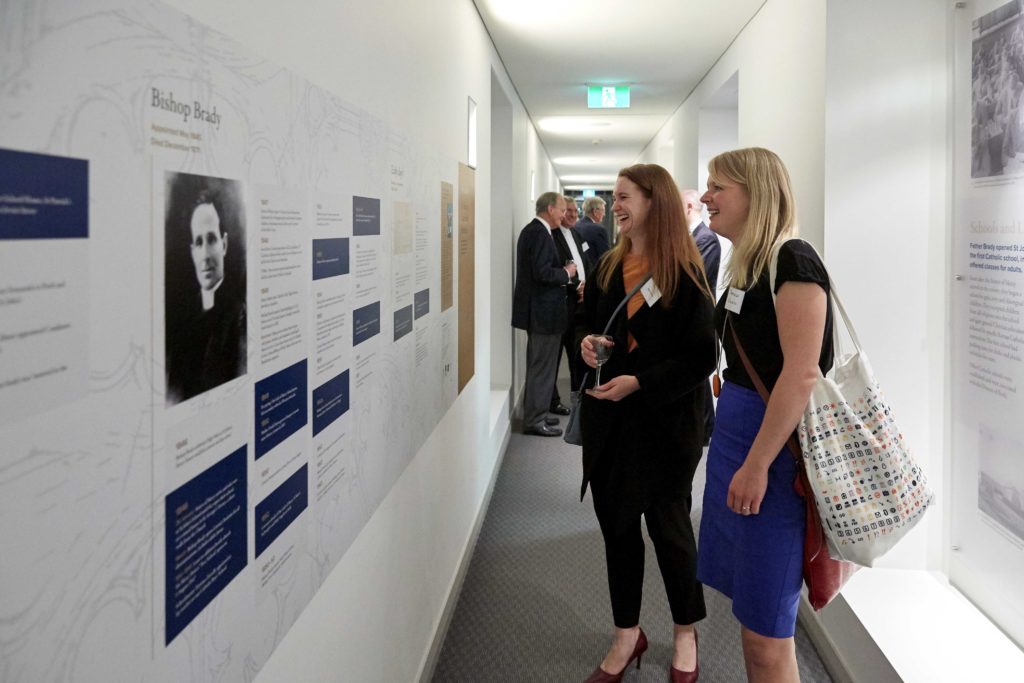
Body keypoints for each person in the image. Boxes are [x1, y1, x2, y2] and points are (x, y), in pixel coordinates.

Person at [695, 147, 833, 683]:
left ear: (756, 194)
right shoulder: (747, 265)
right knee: (754, 622)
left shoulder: (792, 260)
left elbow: (801, 375)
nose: (706, 196)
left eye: (718, 186)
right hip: (742, 443)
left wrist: (755, 465)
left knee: (766, 637)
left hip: (773, 460)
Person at [576, 164, 714, 683]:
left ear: (655, 202)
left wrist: (641, 382)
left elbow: (702, 357)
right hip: (610, 424)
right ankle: (626, 634)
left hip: (665, 425)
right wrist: (585, 343)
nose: (615, 205)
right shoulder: (608, 266)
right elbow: (582, 323)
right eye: (613, 198)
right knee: (617, 531)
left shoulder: (685, 271)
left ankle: (685, 632)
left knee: (670, 532)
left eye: (624, 197)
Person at [166, 189, 247, 405]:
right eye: (199, 242)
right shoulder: (182, 322)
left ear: (224, 245)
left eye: (211, 239)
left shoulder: (240, 317)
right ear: (192, 251)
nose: (205, 256)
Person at [512, 191, 577, 436]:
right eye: (562, 209)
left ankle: (538, 413)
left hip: (541, 313)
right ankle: (534, 420)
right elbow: (542, 273)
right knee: (541, 367)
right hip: (543, 314)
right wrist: (566, 273)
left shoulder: (536, 231)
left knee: (542, 367)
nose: (564, 215)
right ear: (550, 209)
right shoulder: (538, 232)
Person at [682, 188, 722, 444]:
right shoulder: (690, 237)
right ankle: (705, 427)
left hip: (701, 317)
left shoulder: (705, 238)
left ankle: (707, 428)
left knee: (698, 371)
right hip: (690, 316)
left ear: (688, 207)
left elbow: (694, 277)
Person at [550, 195, 592, 410]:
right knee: (555, 356)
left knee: (577, 353)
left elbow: (586, 264)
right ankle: (553, 402)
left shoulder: (577, 234)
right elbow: (554, 271)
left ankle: (579, 397)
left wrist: (588, 286)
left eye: (576, 211)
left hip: (581, 304)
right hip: (561, 304)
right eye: (569, 211)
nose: (574, 215)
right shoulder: (551, 236)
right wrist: (576, 286)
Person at [576, 196, 610, 260]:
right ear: (595, 211)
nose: (604, 214)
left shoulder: (574, 226)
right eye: (603, 210)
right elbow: (605, 257)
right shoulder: (599, 230)